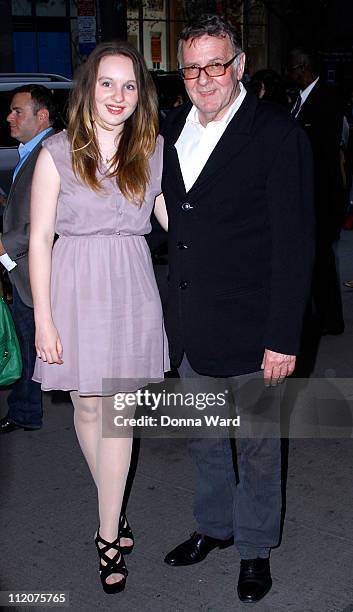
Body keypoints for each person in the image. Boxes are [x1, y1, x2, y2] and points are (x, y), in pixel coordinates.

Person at [157, 14, 314, 604]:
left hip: (254, 326)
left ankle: (253, 548)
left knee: (256, 444)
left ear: (239, 65)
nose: (204, 78)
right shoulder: (172, 128)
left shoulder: (276, 133)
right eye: (192, 67)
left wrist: (283, 335)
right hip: (192, 323)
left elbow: (295, 245)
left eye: (216, 64)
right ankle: (215, 527)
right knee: (201, 437)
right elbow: (174, 216)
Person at [29, 41, 169, 594]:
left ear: (141, 95)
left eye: (130, 85)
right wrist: (44, 319)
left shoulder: (154, 149)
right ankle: (113, 504)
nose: (119, 95)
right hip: (72, 288)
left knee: (118, 413)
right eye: (107, 83)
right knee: (88, 407)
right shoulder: (57, 152)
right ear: (88, 88)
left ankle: (108, 532)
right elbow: (40, 239)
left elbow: (176, 223)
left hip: (131, 287)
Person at [0, 85, 56, 434]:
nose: (10, 116)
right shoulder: (32, 151)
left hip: (33, 267)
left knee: (27, 341)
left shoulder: (49, 152)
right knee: (28, 340)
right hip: (24, 266)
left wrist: (6, 244)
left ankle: (24, 411)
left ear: (42, 116)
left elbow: (50, 217)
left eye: (17, 110)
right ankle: (25, 408)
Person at [287, 47, 346, 335]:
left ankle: (331, 319)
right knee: (313, 258)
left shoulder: (326, 99)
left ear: (303, 67)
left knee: (321, 258)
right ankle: (318, 314)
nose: (290, 73)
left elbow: (322, 152)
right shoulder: (299, 99)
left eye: (293, 68)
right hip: (309, 193)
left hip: (322, 194)